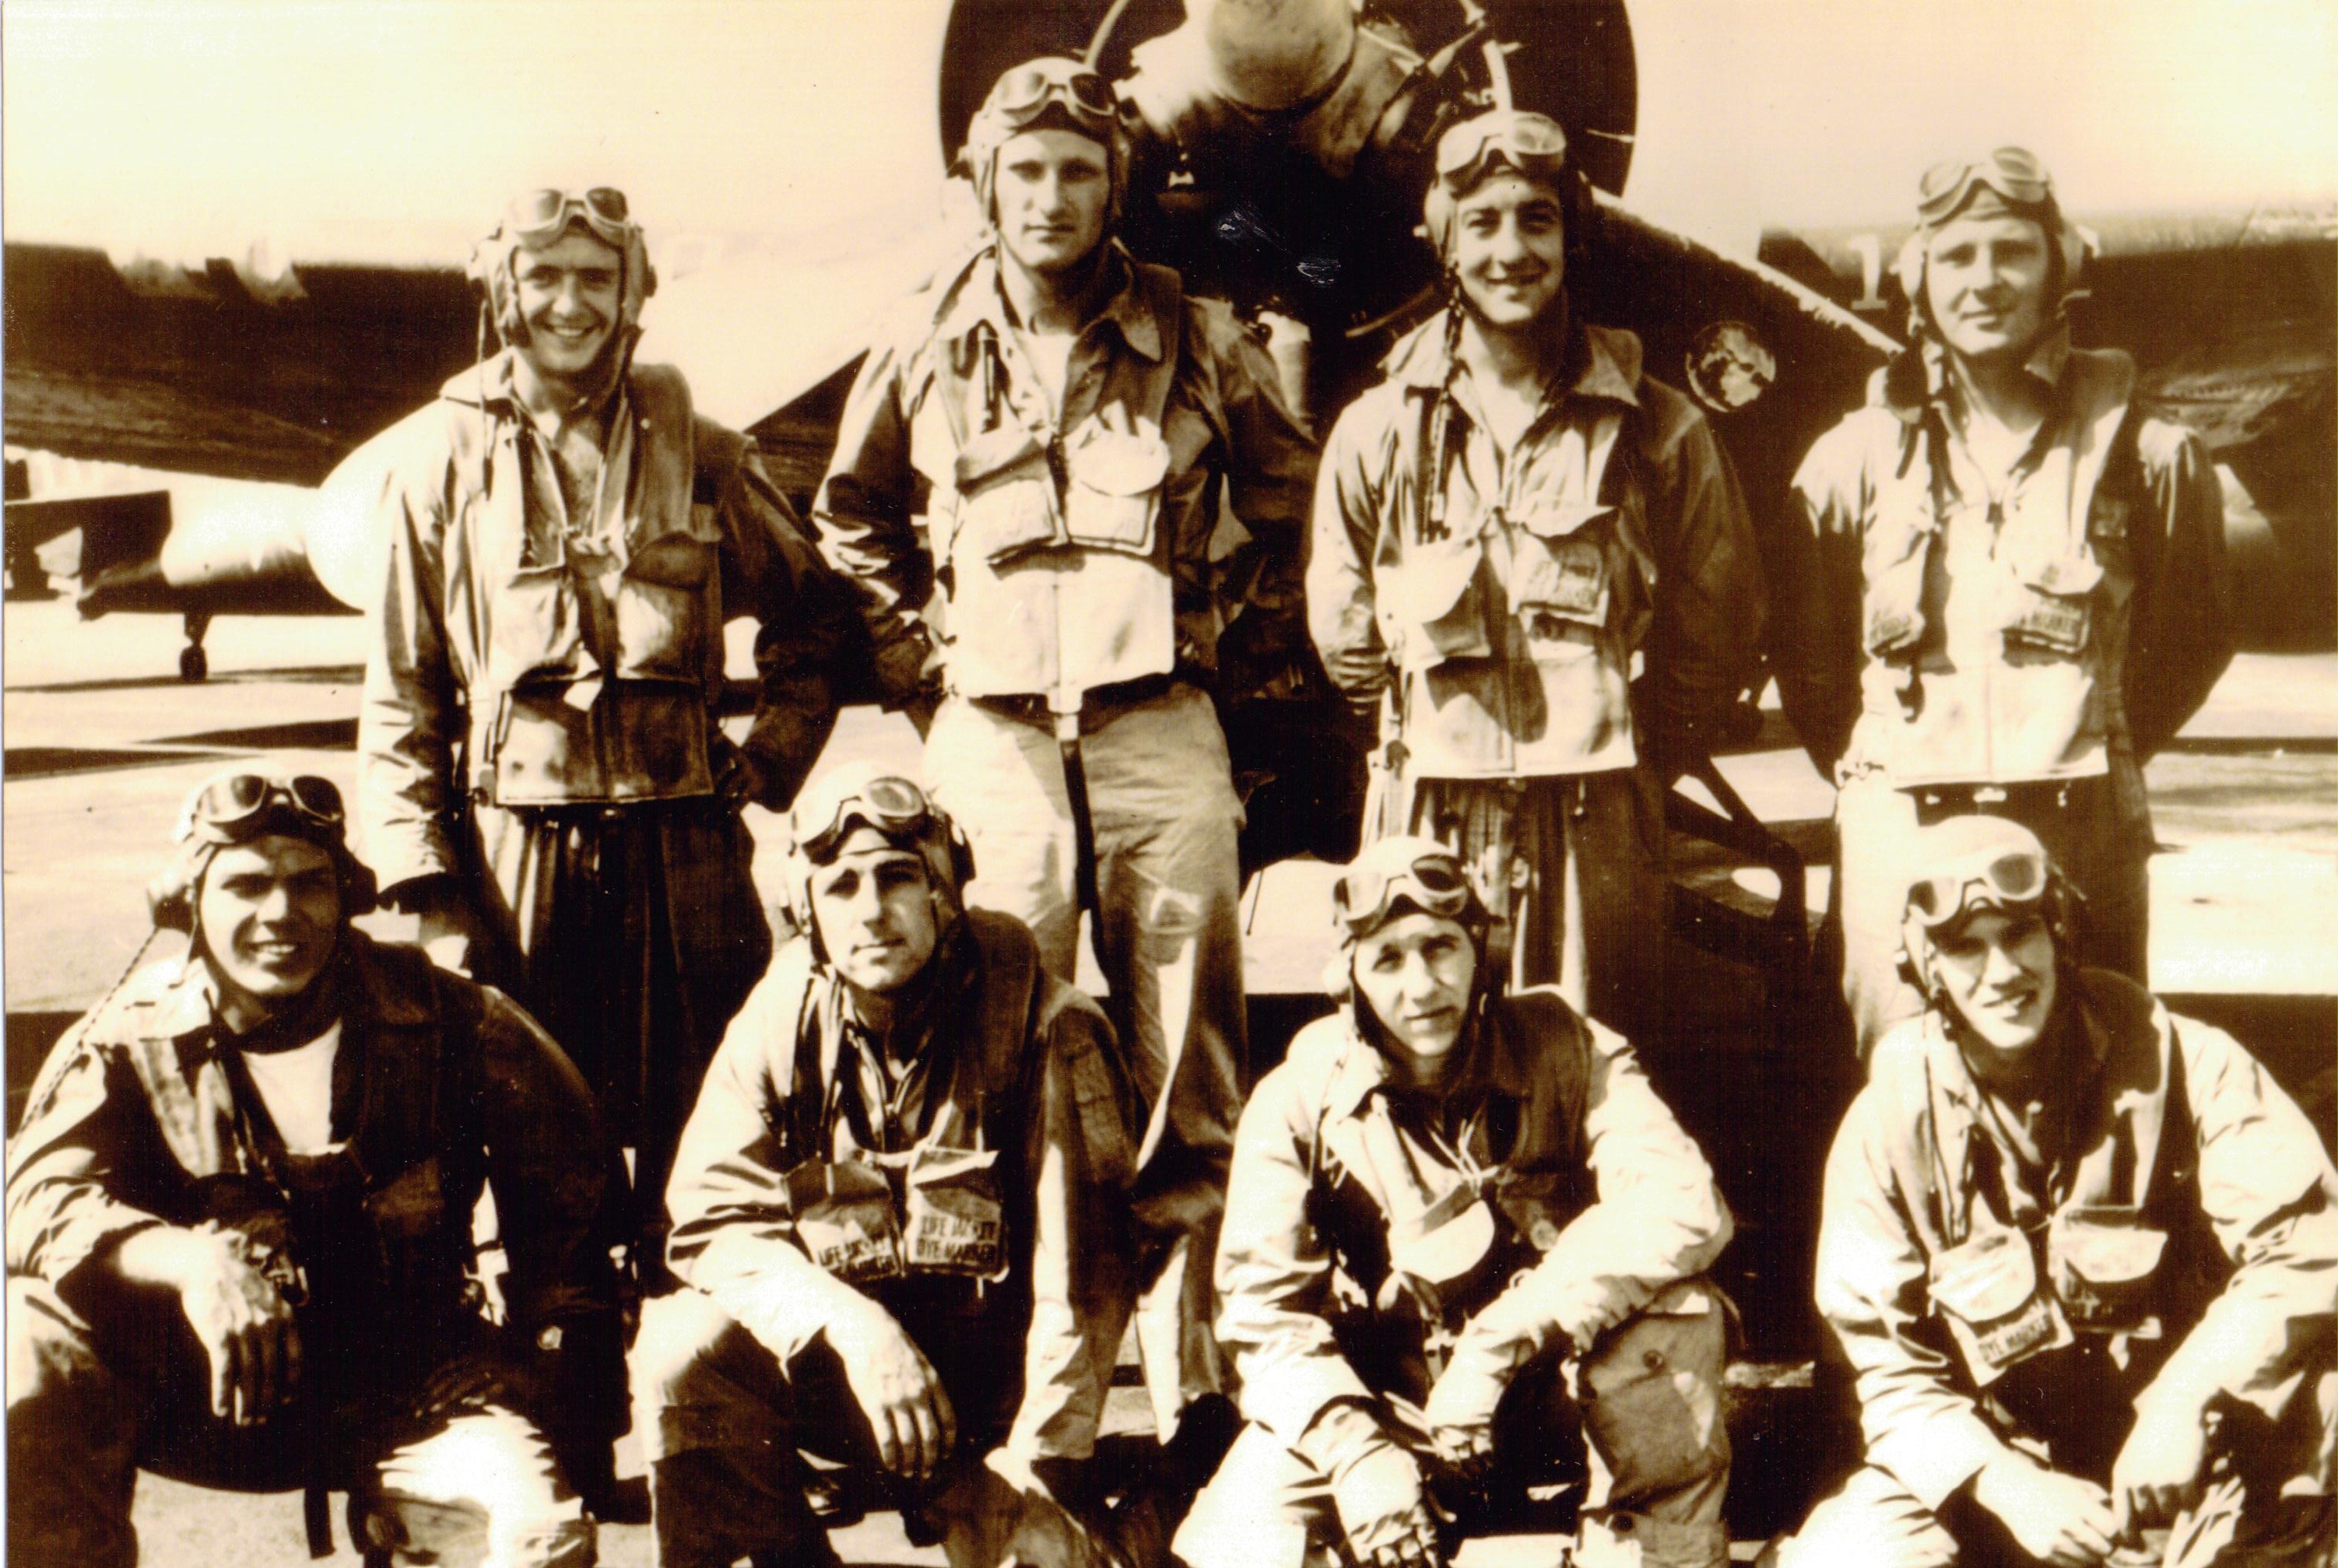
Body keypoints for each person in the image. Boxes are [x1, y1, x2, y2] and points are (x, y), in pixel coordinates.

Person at [814, 58, 1319, 1433]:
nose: (1051, 197)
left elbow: (1294, 502)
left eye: (1079, 171)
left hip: (1159, 730)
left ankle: (1200, 1382)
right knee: (982, 1045)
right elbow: (850, 515)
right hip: (993, 745)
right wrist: (924, 662)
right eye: (1025, 171)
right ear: (984, 186)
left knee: (1190, 1056)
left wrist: (1224, 648)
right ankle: (1008, 1377)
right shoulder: (922, 339)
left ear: (1117, 188)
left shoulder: (1194, 337)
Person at [7, 768, 623, 1568]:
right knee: (20, 1348)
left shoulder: (454, 1017)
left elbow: (575, 1199)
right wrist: (187, 1260)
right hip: (206, 1393)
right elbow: (30, 1201)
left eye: (308, 882)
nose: (279, 914)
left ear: (347, 897)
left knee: (518, 1565)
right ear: (188, 902)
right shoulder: (125, 1037)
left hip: (409, 1382)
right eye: (245, 884)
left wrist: (538, 1366)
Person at [627, 763, 1231, 1568]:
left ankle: (1174, 1545)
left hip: (999, 1421)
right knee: (679, 1346)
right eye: (840, 887)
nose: (871, 911)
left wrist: (1039, 1480)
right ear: (807, 912)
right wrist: (854, 1327)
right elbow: (710, 1215)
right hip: (868, 1393)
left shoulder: (1046, 1027)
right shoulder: (784, 1016)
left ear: (946, 892)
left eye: (898, 878)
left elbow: (1082, 1288)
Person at [1756, 816, 2336, 1568]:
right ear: (1926, 970)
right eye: (1964, 948)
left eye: (2019, 935)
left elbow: (2312, 1245)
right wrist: (2003, 1483)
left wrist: (2180, 1401)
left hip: (2177, 1436)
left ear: (2060, 935)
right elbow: (1880, 1360)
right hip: (1997, 1447)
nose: (2001, 973)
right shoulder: (1888, 1116)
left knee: (2322, 1386)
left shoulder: (2187, 1061)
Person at [359, 185, 854, 1243]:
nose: (570, 303)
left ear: (633, 294)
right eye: (544, 277)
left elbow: (816, 620)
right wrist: (425, 881)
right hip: (515, 849)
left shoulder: (707, 453)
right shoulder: (437, 462)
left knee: (716, 1125)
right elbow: (401, 685)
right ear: (504, 293)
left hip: (687, 848)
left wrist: (768, 760)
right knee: (523, 1119)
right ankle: (559, 1317)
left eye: (596, 277)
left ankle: (701, 1311)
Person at [1173, 835, 1735, 1568]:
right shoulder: (1300, 1095)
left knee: (1675, 1322)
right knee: (1243, 1552)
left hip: (1554, 1387)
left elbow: (1683, 1203)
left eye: (1441, 947)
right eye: (1386, 959)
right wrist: (1357, 1454)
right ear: (1349, 975)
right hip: (1403, 1408)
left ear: (1483, 953)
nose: (1419, 985)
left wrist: (1502, 1340)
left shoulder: (1568, 1045)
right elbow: (1260, 1314)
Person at [1308, 109, 1766, 1051]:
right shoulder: (1378, 430)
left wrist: (1640, 758)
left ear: (1572, 236)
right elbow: (1343, 616)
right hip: (1428, 800)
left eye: (1536, 219)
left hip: (1597, 809)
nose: (1510, 250)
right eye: (1481, 223)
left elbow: (1717, 621)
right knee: (1421, 1047)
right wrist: (1412, 732)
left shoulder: (1656, 427)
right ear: (1445, 242)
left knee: (1595, 1052)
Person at [1771, 149, 2233, 1060]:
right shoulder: (1852, 458)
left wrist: (2097, 734)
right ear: (1918, 276)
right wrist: (1881, 768)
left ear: (2060, 267)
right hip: (1901, 822)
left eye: (2012, 252)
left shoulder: (2146, 455)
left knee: (2090, 1062)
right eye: (1957, 256)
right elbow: (1809, 656)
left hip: (2079, 820)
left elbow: (2193, 640)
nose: (1983, 281)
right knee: (1902, 1065)